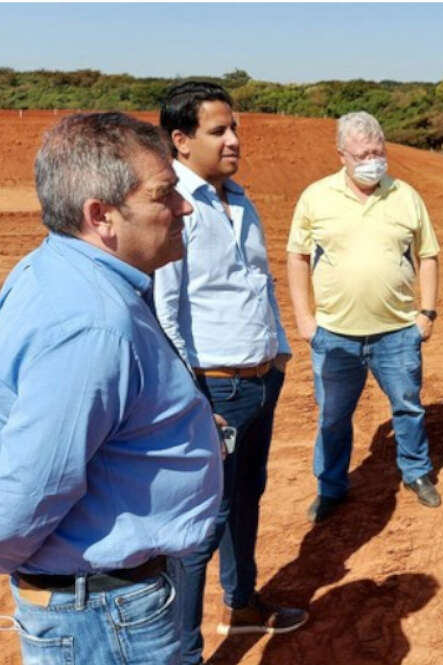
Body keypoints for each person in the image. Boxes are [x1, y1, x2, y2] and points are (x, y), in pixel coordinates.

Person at [0, 112, 222, 664]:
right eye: (164, 195)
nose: (185, 207)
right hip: (105, 615)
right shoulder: (92, 324)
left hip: (98, 601)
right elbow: (28, 493)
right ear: (101, 216)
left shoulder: (57, 270)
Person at [155, 82, 307, 662]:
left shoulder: (239, 199)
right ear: (181, 139)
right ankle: (183, 651)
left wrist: (279, 352)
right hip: (213, 388)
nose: (234, 140)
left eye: (234, 127)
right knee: (203, 520)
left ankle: (241, 601)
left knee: (248, 496)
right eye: (218, 131)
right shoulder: (176, 206)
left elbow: (257, 283)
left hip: (260, 381)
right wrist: (194, 396)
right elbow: (166, 309)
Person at [286, 111, 441, 519]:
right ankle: (332, 485)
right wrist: (305, 318)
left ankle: (416, 471)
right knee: (333, 417)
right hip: (335, 333)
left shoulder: (405, 195)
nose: (372, 160)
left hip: (397, 331)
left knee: (408, 406)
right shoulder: (316, 197)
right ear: (342, 155)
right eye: (362, 154)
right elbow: (297, 256)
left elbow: (427, 255)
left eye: (378, 151)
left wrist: (425, 313)